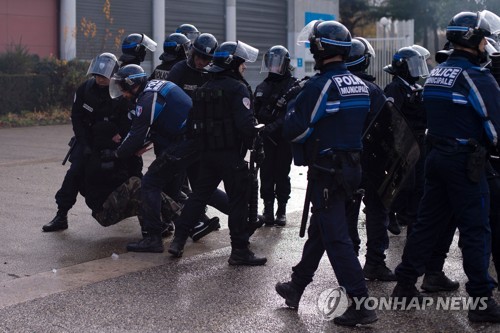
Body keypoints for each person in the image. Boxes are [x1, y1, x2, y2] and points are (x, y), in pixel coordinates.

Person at [391, 11, 500, 323]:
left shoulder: (439, 73)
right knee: (476, 229)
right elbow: (495, 129)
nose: (486, 44)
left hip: (436, 157)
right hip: (465, 162)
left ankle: (405, 285)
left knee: (426, 225)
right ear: (474, 40)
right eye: (484, 38)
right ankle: (481, 301)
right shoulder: (477, 77)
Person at [275, 20, 377, 326]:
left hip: (328, 172)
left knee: (336, 239)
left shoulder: (320, 86)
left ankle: (360, 303)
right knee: (322, 231)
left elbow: (296, 129)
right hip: (351, 170)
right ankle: (296, 286)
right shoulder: (361, 85)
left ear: (320, 49)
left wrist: (294, 105)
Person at [167, 40, 267, 266]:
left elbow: (192, 122)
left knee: (198, 196)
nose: (244, 68)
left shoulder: (204, 89)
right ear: (232, 65)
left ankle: (179, 240)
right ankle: (239, 250)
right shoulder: (238, 89)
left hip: (207, 155)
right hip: (231, 155)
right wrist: (257, 141)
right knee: (239, 201)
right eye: (242, 64)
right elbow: (244, 126)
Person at [106, 64, 205, 252]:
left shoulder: (147, 98)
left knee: (150, 183)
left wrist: (117, 153)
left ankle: (153, 238)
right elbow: (157, 125)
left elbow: (136, 133)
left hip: (184, 142)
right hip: (195, 138)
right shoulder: (156, 86)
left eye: (122, 88)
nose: (122, 94)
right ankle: (246, 219)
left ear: (131, 84)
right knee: (204, 187)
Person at [42, 53, 121, 232]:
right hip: (87, 141)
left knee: (129, 174)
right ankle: (61, 215)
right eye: (97, 75)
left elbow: (125, 119)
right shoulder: (85, 89)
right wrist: (84, 143)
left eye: (104, 76)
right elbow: (76, 117)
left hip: (111, 144)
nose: (99, 79)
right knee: (74, 174)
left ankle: (149, 219)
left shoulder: (119, 92)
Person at [344, 36, 396, 281]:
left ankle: (348, 260)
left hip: (344, 161)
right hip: (372, 161)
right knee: (377, 210)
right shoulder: (374, 92)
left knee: (347, 210)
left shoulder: (337, 86)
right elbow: (389, 129)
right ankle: (374, 262)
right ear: (365, 62)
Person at [84, 121, 179, 234]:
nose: (119, 137)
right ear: (106, 137)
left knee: (146, 188)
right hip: (104, 213)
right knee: (137, 184)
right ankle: (181, 218)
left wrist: (135, 157)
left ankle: (152, 227)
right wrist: (132, 157)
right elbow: (125, 180)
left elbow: (135, 179)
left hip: (114, 205)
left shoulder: (113, 154)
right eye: (115, 135)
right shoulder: (97, 160)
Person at [383, 45, 430, 235]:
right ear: (403, 67)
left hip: (419, 140)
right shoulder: (395, 87)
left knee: (419, 183)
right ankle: (389, 212)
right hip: (404, 142)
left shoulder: (416, 87)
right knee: (404, 184)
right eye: (414, 65)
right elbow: (391, 117)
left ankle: (410, 216)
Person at [254, 45, 298, 227]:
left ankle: (281, 209)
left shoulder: (292, 86)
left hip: (283, 139)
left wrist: (272, 126)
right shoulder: (262, 86)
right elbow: (254, 112)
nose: (273, 67)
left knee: (282, 174)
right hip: (265, 140)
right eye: (271, 63)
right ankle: (268, 209)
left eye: (277, 63)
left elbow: (292, 114)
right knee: (266, 175)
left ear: (285, 65)